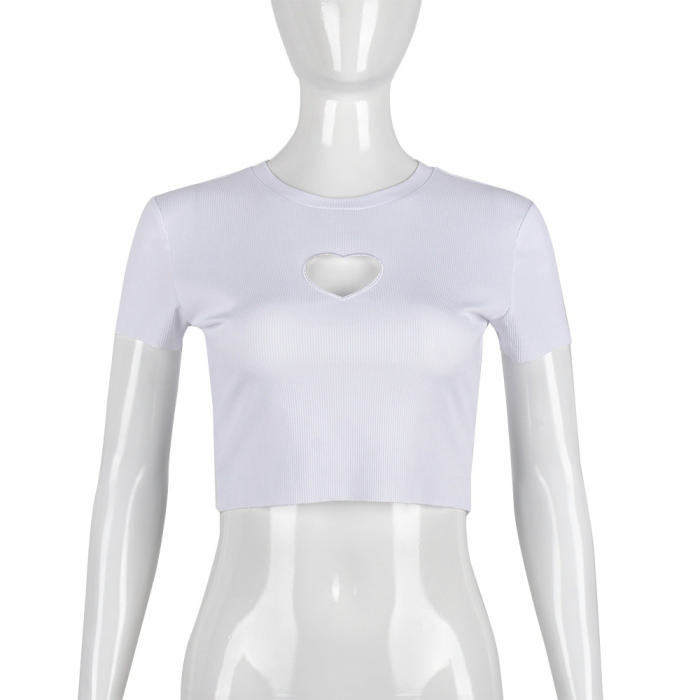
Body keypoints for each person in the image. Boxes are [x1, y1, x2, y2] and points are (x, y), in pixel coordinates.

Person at [78, 2, 603, 698]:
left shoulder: (503, 231)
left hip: (436, 665)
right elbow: (128, 480)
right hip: (251, 663)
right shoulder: (182, 230)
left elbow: (552, 482)